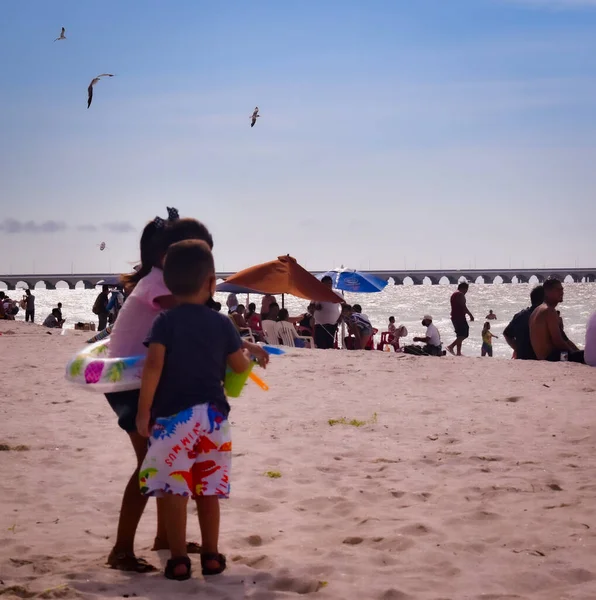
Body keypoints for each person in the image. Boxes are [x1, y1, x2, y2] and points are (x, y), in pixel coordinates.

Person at [103, 208, 270, 574]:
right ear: (170, 257)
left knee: (164, 461)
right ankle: (121, 549)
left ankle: (166, 538)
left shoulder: (157, 279)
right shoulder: (161, 289)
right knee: (150, 464)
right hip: (132, 383)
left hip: (145, 381)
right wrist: (239, 343)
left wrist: (237, 340)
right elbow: (192, 323)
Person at [136, 239, 251, 581]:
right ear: (211, 283)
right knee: (208, 489)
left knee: (175, 489)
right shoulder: (222, 323)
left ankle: (180, 560)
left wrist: (144, 412)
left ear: (169, 284)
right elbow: (239, 366)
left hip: (174, 417)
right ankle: (212, 556)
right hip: (214, 418)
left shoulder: (165, 323)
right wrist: (249, 358)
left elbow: (153, 367)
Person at [529, 278, 584, 363]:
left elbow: (564, 339)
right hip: (553, 357)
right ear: (547, 292)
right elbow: (558, 341)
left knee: (583, 354)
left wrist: (577, 352)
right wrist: (574, 354)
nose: (562, 292)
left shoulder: (537, 310)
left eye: (562, 290)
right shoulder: (549, 310)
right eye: (558, 290)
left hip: (546, 357)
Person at [503, 285, 544, 360]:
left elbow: (506, 334)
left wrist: (518, 349)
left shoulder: (520, 316)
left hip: (523, 357)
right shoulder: (545, 315)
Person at [447, 282, 474, 356]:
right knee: (464, 334)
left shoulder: (454, 294)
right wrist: (471, 315)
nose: (466, 292)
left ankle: (458, 352)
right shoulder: (460, 294)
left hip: (455, 317)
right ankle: (451, 346)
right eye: (466, 290)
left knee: (460, 335)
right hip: (459, 317)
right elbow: (463, 306)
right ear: (464, 288)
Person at [313, 276, 341, 349]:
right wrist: (315, 307)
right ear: (322, 284)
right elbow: (309, 308)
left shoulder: (337, 294)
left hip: (332, 323)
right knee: (320, 345)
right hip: (320, 324)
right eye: (326, 284)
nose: (329, 285)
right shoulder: (317, 294)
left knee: (330, 345)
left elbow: (346, 307)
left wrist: (341, 317)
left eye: (330, 283)